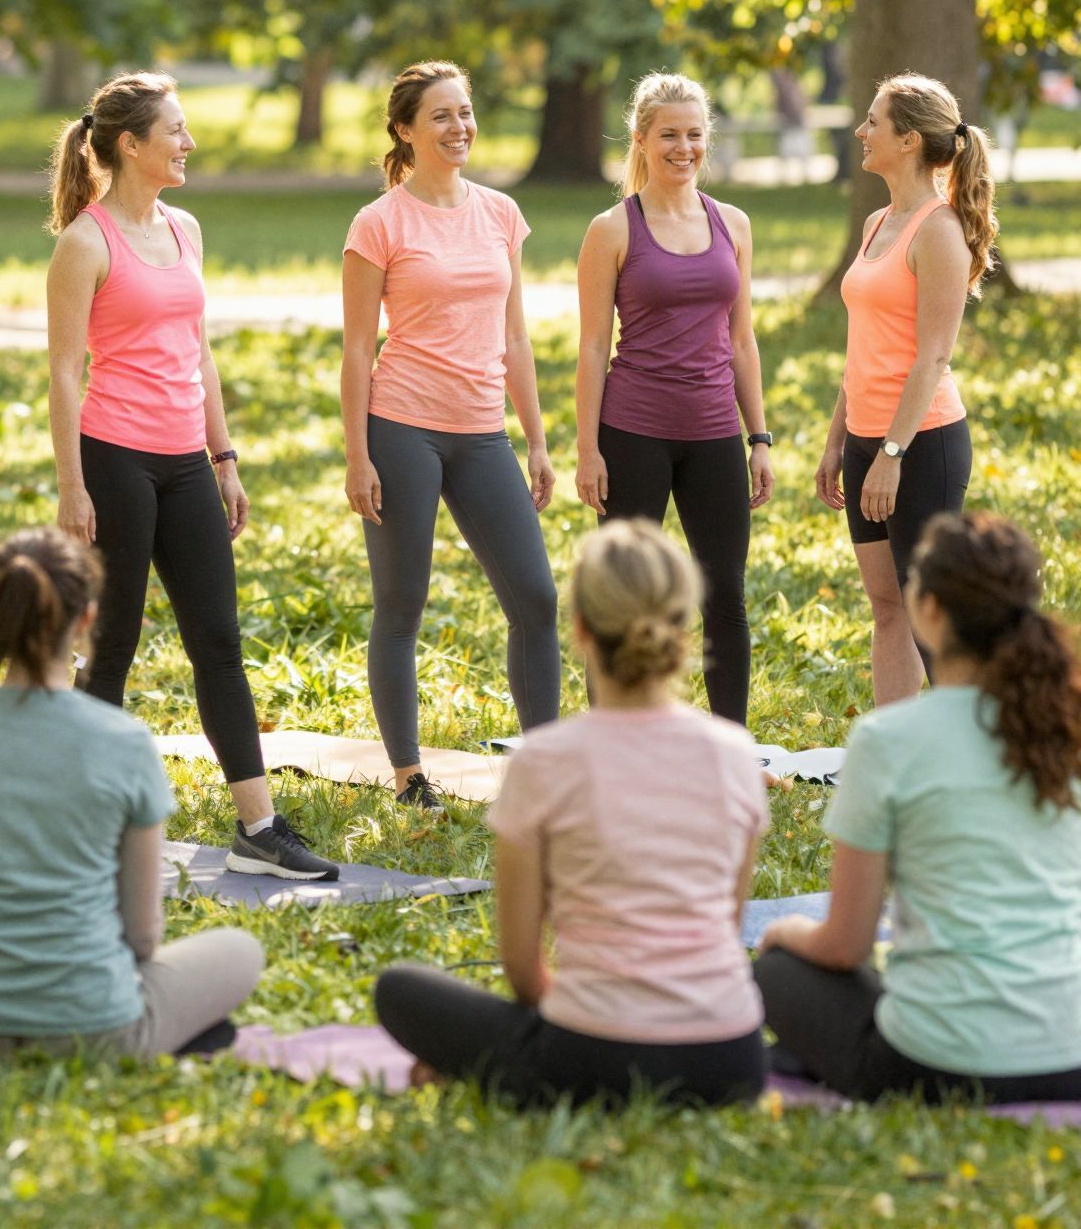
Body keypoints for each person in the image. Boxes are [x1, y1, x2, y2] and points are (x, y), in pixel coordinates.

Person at [46, 71, 337, 881]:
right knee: (114, 646)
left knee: (219, 640)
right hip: (114, 458)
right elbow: (66, 372)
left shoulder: (186, 230)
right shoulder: (85, 242)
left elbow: (198, 351)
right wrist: (73, 484)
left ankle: (259, 828)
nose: (188, 143)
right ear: (130, 144)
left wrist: (225, 456)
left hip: (185, 464)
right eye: (174, 130)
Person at [0, 526, 265, 1054]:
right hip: (97, 1028)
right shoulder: (126, 740)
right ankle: (155, 1033)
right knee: (240, 950)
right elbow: (143, 937)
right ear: (86, 619)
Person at [374, 520, 768, 1107]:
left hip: (591, 1058)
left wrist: (585, 1011)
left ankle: (495, 1069)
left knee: (399, 991)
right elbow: (725, 926)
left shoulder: (545, 760)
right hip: (729, 1062)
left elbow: (523, 968)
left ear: (580, 630)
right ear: (683, 627)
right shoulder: (737, 754)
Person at [756, 512, 1081, 1103]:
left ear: (929, 609)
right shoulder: (1067, 724)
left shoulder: (888, 739)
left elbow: (844, 945)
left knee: (778, 971)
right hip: (1071, 1053)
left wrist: (784, 932)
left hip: (938, 1063)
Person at [341, 60, 559, 809]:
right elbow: (357, 349)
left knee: (535, 598)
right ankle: (408, 776)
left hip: (482, 431)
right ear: (405, 130)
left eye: (465, 112)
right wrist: (357, 454)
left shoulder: (500, 214)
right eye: (441, 115)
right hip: (402, 428)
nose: (459, 127)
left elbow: (517, 339)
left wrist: (535, 439)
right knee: (402, 600)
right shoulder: (379, 223)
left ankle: (544, 770)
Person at [574, 72, 774, 726]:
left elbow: (742, 342)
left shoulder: (735, 224)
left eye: (694, 135)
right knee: (625, 599)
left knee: (725, 597)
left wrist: (760, 438)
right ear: (641, 139)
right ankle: (616, 742)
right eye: (669, 135)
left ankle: (730, 747)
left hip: (715, 432)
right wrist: (586, 449)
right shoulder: (612, 229)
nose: (683, 148)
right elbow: (593, 346)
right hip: (632, 433)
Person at [815, 73, 998, 705]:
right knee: (888, 607)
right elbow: (862, 345)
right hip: (868, 440)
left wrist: (891, 455)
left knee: (931, 613)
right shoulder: (876, 221)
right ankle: (899, 749)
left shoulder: (938, 231)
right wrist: (839, 442)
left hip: (922, 442)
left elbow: (933, 357)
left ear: (909, 140)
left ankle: (971, 754)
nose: (861, 132)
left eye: (873, 122)